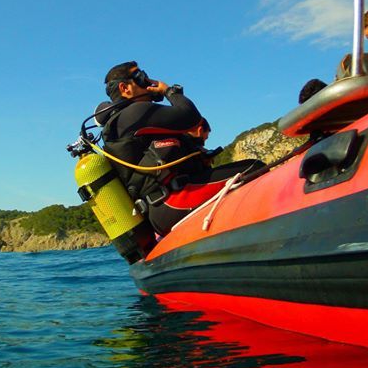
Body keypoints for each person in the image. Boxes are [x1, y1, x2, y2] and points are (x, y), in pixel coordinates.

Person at [96, 61, 264, 236]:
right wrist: (169, 92)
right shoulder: (135, 112)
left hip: (160, 208)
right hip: (171, 202)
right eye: (140, 77)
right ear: (125, 88)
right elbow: (190, 117)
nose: (148, 81)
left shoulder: (122, 122)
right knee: (255, 167)